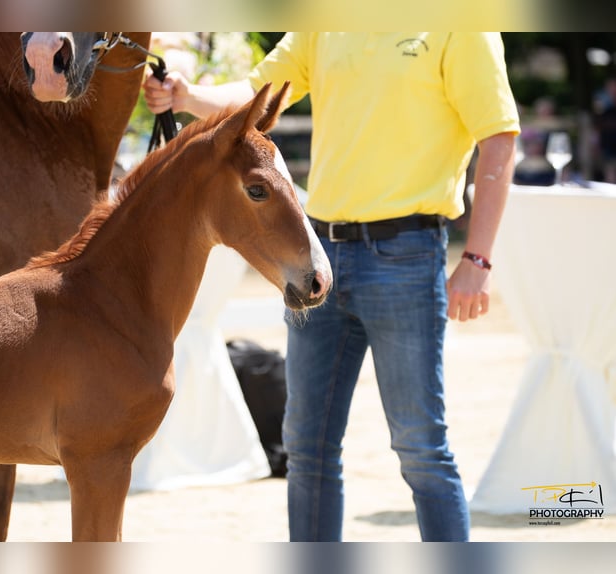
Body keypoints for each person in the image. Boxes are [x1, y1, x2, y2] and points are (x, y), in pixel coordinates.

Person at [143, 32, 519, 542]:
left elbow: (498, 137)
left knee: (421, 447)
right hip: (320, 257)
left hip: (406, 255)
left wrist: (477, 257)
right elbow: (258, 92)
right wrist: (186, 97)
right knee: (306, 448)